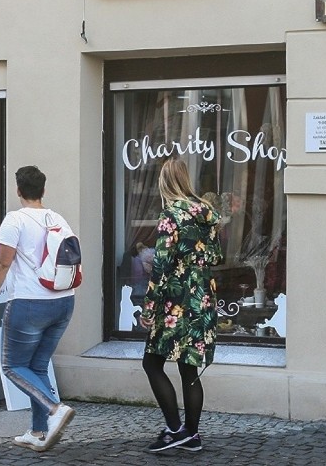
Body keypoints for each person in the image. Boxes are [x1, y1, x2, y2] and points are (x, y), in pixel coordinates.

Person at [0, 165, 77, 452]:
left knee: (12, 365)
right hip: (63, 301)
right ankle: (37, 431)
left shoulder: (15, 220)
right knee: (36, 366)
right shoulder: (58, 218)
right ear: (43, 191)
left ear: (19, 191)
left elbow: (2, 262)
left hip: (30, 303)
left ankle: (54, 409)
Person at [138, 158, 223, 453]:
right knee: (189, 370)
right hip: (203, 297)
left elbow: (160, 266)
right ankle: (192, 435)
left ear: (164, 183)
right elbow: (215, 257)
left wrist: (148, 308)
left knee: (152, 363)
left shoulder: (170, 216)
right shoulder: (208, 213)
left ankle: (175, 430)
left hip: (176, 299)